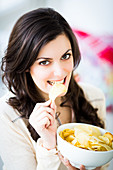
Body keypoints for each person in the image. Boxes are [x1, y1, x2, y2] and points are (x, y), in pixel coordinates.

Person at [0, 8, 107, 170]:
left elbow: (103, 163)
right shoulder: (7, 115)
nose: (60, 72)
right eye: (44, 62)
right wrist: (49, 144)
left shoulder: (94, 97)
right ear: (26, 65)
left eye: (66, 56)